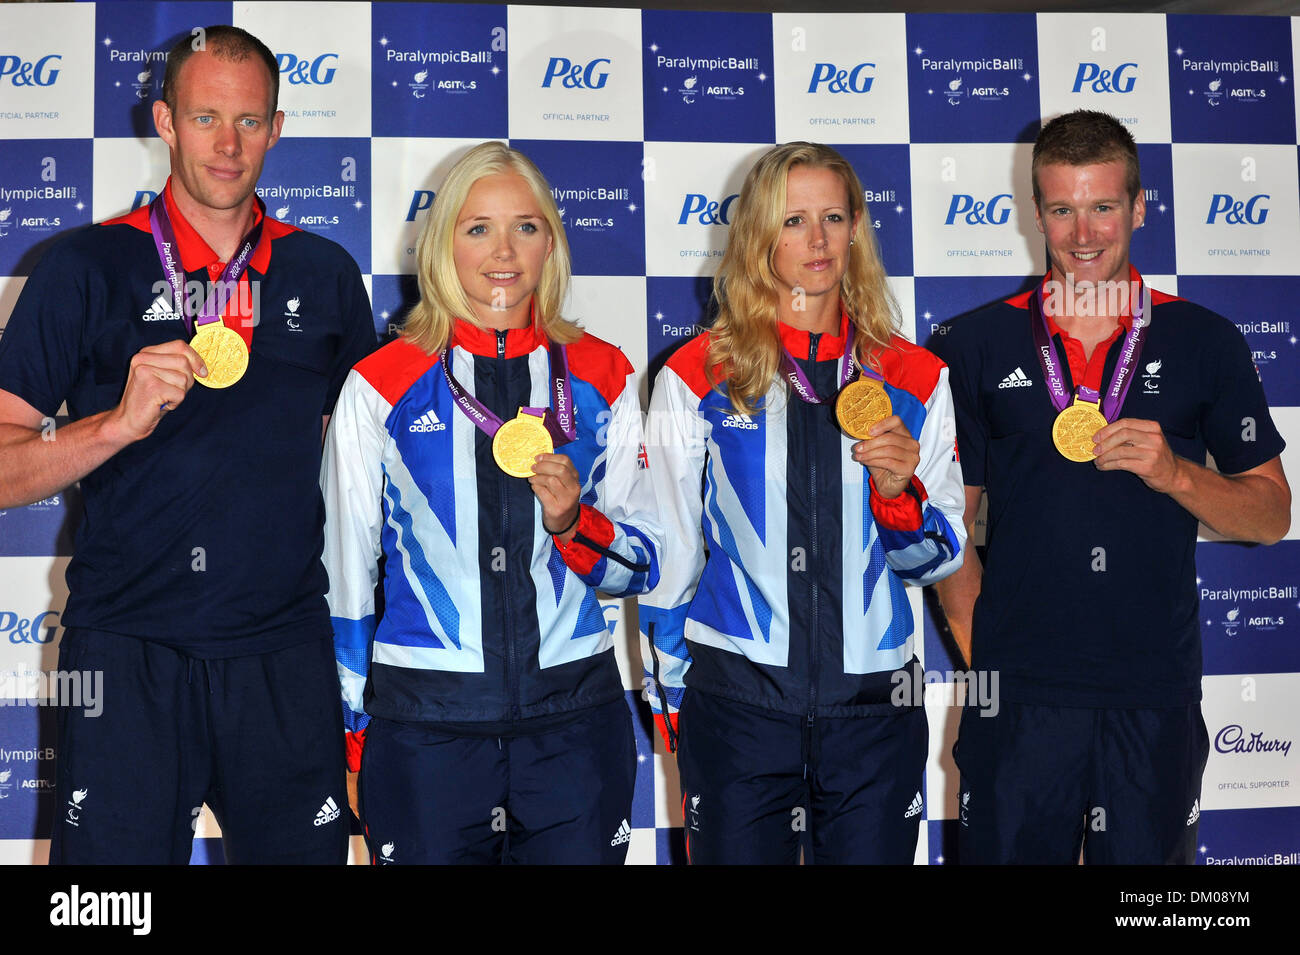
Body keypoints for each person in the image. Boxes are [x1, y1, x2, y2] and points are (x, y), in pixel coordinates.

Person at [0, 26, 376, 864]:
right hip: (126, 648)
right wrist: (116, 424)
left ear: (277, 128)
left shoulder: (324, 275)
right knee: (107, 913)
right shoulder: (83, 267)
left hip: (282, 650)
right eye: (206, 117)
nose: (228, 144)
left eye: (249, 122)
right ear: (165, 120)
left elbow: (364, 470)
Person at [932, 109, 1290, 865]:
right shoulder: (972, 343)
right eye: (1062, 209)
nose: (1083, 233)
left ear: (1139, 207)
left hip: (1152, 691)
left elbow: (1269, 513)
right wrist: (984, 658)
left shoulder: (1206, 339)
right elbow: (948, 527)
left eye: (1102, 207)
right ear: (1036, 214)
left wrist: (1178, 474)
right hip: (1018, 696)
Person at [321, 141, 661, 865]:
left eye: (526, 226)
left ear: (552, 242)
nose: (503, 250)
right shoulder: (380, 382)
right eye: (478, 227)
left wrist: (576, 524)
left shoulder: (603, 371)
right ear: (444, 243)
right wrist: (351, 728)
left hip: (574, 725)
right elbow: (342, 577)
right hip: (424, 733)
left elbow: (644, 563)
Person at [639, 142, 966, 865]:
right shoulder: (696, 374)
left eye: (832, 217)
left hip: (875, 713)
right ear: (759, 234)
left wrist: (897, 496)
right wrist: (674, 697)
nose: (816, 240)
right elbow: (670, 552)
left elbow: (938, 557)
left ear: (856, 229)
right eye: (793, 220)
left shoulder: (915, 375)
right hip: (737, 709)